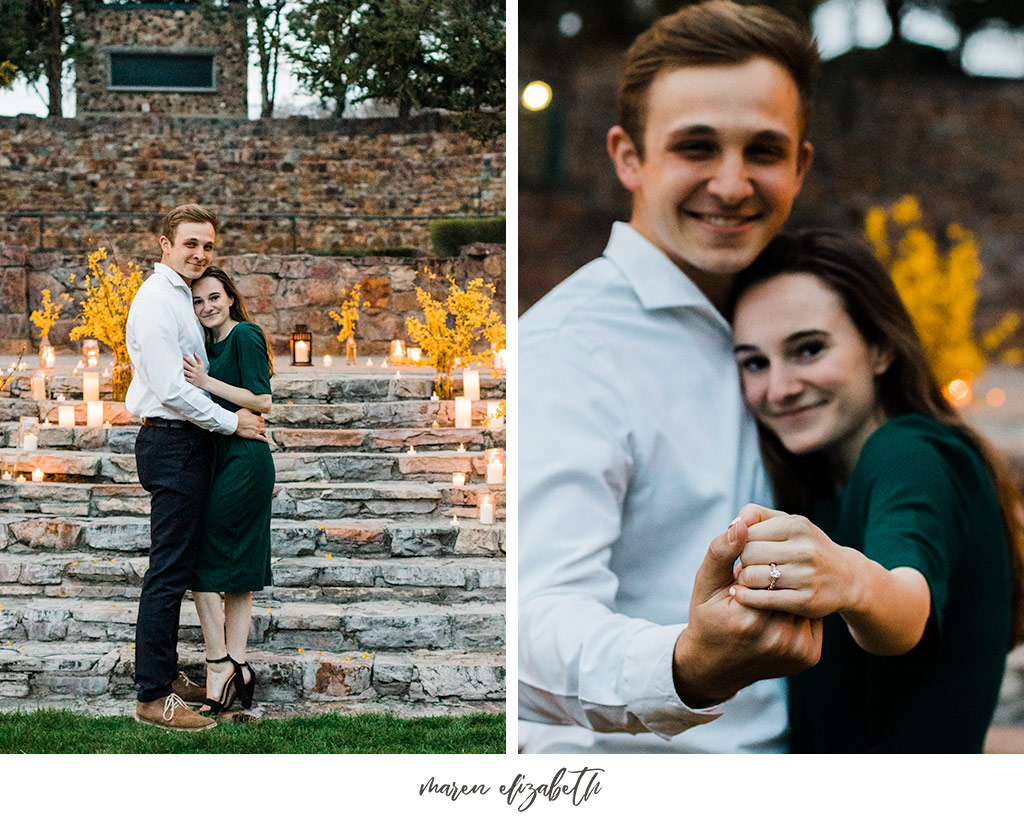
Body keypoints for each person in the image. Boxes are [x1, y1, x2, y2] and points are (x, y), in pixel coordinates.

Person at [519, 0, 822, 753]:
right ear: (629, 157)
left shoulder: (798, 323)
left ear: (800, 167)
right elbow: (531, 615)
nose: (730, 184)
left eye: (763, 150)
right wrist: (685, 664)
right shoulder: (567, 350)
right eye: (696, 146)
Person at [727, 229, 1024, 752]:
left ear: (881, 347)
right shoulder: (827, 482)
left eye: (809, 349)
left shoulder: (907, 452)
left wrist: (853, 584)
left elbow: (907, 602)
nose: (778, 388)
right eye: (755, 362)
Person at [127, 204, 267, 732]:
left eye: (207, 245)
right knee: (167, 573)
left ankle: (166, 675)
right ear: (165, 244)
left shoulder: (183, 296)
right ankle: (152, 696)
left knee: (181, 567)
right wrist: (232, 423)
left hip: (189, 443)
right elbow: (170, 389)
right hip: (172, 443)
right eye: (190, 244)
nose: (200, 253)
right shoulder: (158, 302)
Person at [182, 267, 275, 716]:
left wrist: (206, 383)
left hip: (245, 461)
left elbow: (262, 401)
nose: (207, 307)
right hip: (220, 457)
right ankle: (238, 666)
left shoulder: (246, 335)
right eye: (198, 301)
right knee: (236, 572)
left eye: (214, 297)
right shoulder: (207, 345)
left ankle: (218, 664)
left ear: (230, 297)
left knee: (203, 562)